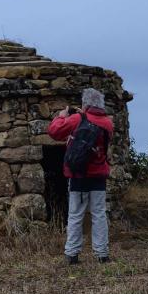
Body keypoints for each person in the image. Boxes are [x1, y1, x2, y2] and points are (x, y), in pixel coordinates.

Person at [48, 87, 115, 264]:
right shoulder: (107, 122)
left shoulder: (77, 118)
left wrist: (63, 116)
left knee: (76, 214)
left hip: (78, 173)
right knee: (99, 214)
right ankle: (102, 254)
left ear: (85, 104)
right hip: (98, 173)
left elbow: (54, 132)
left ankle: (72, 253)